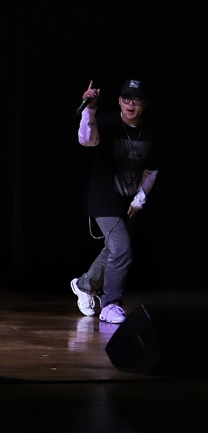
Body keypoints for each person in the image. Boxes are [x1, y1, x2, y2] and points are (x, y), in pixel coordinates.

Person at [69, 79, 159, 325]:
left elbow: (151, 170)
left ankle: (85, 285)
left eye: (137, 100)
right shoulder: (108, 123)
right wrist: (89, 108)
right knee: (121, 250)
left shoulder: (150, 133)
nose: (131, 104)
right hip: (103, 197)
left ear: (144, 104)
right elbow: (86, 139)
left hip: (128, 200)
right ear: (119, 101)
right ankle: (110, 305)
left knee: (113, 249)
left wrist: (139, 200)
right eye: (126, 98)